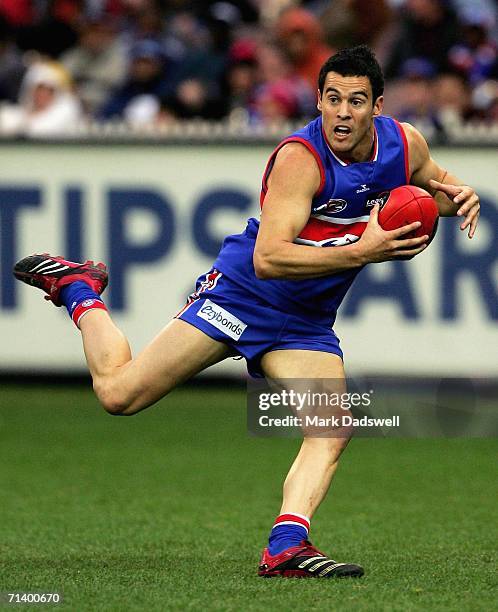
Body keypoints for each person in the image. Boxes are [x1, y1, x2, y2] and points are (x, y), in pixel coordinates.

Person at [13, 45, 480, 578]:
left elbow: (436, 191)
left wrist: (460, 197)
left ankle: (285, 547)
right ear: (319, 100)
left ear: (377, 107)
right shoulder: (300, 160)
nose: (342, 113)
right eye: (332, 99)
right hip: (240, 297)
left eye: (355, 101)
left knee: (333, 427)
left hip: (304, 323)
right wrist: (362, 251)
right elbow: (270, 259)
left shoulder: (404, 145)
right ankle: (80, 292)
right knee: (119, 395)